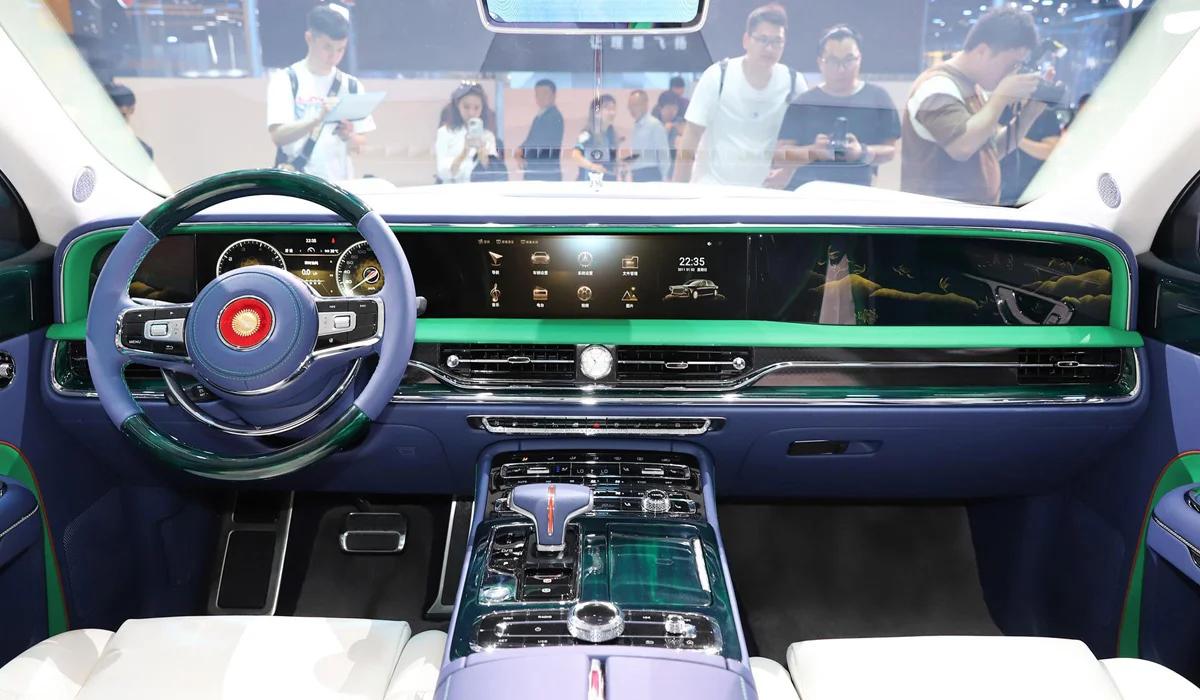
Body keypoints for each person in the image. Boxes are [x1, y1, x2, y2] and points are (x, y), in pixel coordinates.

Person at [900, 8, 1049, 204]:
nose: (1012, 73)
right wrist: (1000, 97)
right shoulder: (937, 87)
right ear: (982, 51)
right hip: (939, 218)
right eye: (1011, 65)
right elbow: (962, 147)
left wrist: (1030, 114)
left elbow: (991, 150)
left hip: (964, 216)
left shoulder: (973, 86)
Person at [673, 3, 805, 187]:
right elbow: (691, 137)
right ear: (746, 40)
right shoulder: (718, 75)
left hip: (762, 192)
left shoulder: (793, 82)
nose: (769, 48)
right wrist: (679, 190)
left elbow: (803, 138)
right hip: (711, 188)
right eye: (763, 39)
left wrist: (787, 172)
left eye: (777, 41)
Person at [775, 25, 900, 190]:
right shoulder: (804, 103)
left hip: (858, 193)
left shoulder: (877, 98)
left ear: (859, 59)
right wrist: (814, 151)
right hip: (808, 192)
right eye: (833, 61)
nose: (841, 69)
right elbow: (781, 155)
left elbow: (890, 151)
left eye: (848, 60)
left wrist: (862, 152)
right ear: (820, 62)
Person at [266, 5, 374, 181]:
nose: (334, 56)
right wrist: (318, 118)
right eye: (327, 47)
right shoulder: (286, 79)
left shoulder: (351, 85)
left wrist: (349, 136)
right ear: (309, 38)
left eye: (340, 49)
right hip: (298, 182)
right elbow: (278, 136)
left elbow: (360, 144)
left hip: (340, 184)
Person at [434, 82, 502, 184]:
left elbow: (492, 173)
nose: (471, 113)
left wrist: (481, 150)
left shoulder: (488, 136)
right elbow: (442, 172)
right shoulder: (444, 132)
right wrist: (464, 152)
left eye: (476, 107)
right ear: (457, 106)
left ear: (482, 108)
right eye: (466, 107)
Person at [515, 78, 564, 182]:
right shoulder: (540, 116)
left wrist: (521, 151)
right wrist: (520, 150)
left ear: (554, 95)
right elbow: (531, 139)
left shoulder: (553, 117)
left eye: (545, 94)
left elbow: (539, 142)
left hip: (545, 173)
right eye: (538, 94)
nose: (541, 97)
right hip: (537, 172)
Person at [572, 95, 619, 181]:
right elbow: (575, 155)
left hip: (608, 183)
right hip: (588, 183)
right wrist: (592, 166)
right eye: (607, 108)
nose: (612, 113)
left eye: (613, 109)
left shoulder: (612, 134)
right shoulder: (586, 133)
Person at [626, 90, 670, 182]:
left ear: (645, 105)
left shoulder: (654, 125)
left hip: (651, 173)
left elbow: (663, 154)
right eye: (630, 106)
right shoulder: (636, 127)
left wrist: (665, 178)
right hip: (637, 173)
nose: (631, 109)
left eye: (635, 105)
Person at [106, 82, 153, 159]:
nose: (115, 121)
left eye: (121, 115)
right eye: (110, 115)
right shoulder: (90, 145)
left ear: (132, 110)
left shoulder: (143, 152)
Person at [653, 91, 686, 178]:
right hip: (658, 172)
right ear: (660, 108)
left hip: (676, 171)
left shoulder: (680, 124)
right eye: (668, 108)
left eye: (675, 109)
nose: (672, 112)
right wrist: (664, 132)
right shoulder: (654, 126)